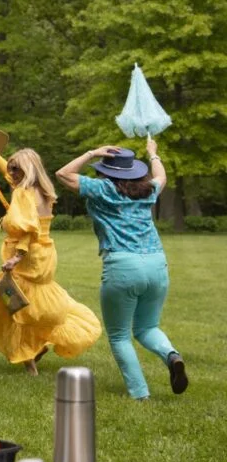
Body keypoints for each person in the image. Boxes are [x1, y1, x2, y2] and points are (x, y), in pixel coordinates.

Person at [0, 135, 101, 375]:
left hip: (27, 257)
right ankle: (35, 348)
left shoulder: (23, 194)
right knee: (30, 306)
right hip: (44, 256)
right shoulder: (42, 190)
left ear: (28, 170)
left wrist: (16, 257)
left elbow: (27, 228)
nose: (12, 172)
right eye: (11, 167)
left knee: (15, 306)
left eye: (16, 168)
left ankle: (29, 358)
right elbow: (12, 182)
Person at [55, 138, 188, 400]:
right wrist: (153, 154)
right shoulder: (148, 190)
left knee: (119, 336)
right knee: (147, 327)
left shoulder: (102, 188)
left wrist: (93, 152)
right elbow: (161, 177)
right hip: (157, 264)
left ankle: (140, 394)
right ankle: (172, 356)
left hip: (122, 265)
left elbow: (63, 174)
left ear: (107, 170)